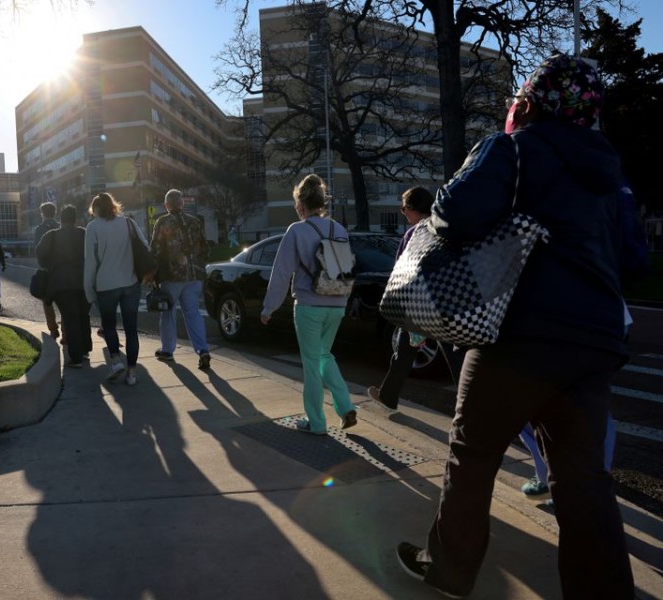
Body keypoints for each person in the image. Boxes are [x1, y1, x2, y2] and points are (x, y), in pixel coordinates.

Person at [396, 54, 635, 599]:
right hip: (593, 342)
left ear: (530, 100)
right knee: (584, 480)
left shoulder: (514, 149)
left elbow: (455, 212)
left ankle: (450, 570)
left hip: (517, 334)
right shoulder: (608, 171)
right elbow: (633, 259)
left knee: (473, 451)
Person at [260, 173, 357, 434]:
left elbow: (281, 272)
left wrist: (269, 307)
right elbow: (346, 268)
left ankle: (316, 422)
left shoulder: (297, 230)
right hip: (337, 304)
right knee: (325, 355)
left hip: (309, 306)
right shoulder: (339, 229)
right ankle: (346, 406)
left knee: (312, 364)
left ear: (301, 205)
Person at [367, 187, 433, 412]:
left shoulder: (413, 234)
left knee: (404, 353)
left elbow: (400, 271)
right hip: (443, 305)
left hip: (417, 308)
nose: (403, 213)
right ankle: (471, 405)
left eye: (404, 209)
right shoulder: (444, 229)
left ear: (412, 209)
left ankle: (388, 396)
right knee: (455, 357)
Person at [83, 192, 143, 385]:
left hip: (106, 285)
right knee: (131, 328)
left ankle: (116, 360)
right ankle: (132, 373)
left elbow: (90, 262)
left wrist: (88, 290)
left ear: (96, 209)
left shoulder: (92, 228)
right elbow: (145, 247)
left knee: (109, 325)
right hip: (130, 282)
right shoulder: (128, 223)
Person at [150, 189, 212, 370]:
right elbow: (206, 249)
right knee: (192, 313)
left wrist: (153, 274)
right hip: (194, 275)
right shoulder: (195, 222)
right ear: (182, 204)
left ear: (166, 205)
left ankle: (168, 350)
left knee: (168, 312)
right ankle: (202, 350)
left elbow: (156, 251)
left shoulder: (162, 222)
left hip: (172, 276)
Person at [38, 204, 92, 367]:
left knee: (70, 317)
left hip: (61, 282)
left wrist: (52, 267)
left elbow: (40, 255)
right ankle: (84, 349)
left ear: (61, 219)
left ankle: (75, 358)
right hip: (84, 280)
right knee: (83, 315)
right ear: (75, 219)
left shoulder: (51, 236)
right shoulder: (84, 233)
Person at [34, 201, 63, 340]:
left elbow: (38, 250)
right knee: (64, 301)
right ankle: (66, 330)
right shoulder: (60, 226)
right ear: (55, 212)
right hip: (61, 269)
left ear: (42, 214)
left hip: (46, 270)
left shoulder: (39, 229)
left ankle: (53, 329)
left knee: (47, 301)